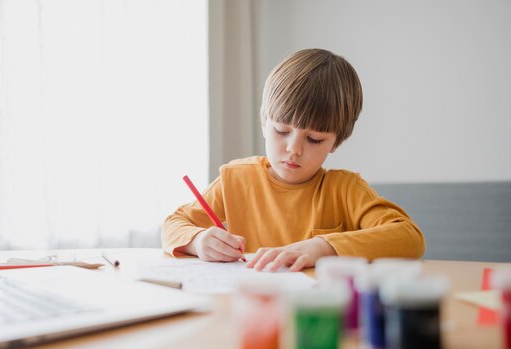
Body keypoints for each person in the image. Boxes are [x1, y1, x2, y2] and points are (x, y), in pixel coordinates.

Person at [162, 48, 425, 271]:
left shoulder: (345, 189)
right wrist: (198, 241)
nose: (293, 149)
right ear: (265, 123)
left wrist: (324, 247)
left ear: (337, 142)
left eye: (314, 139)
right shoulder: (237, 179)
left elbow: (410, 239)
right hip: (254, 307)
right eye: (282, 131)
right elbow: (172, 225)